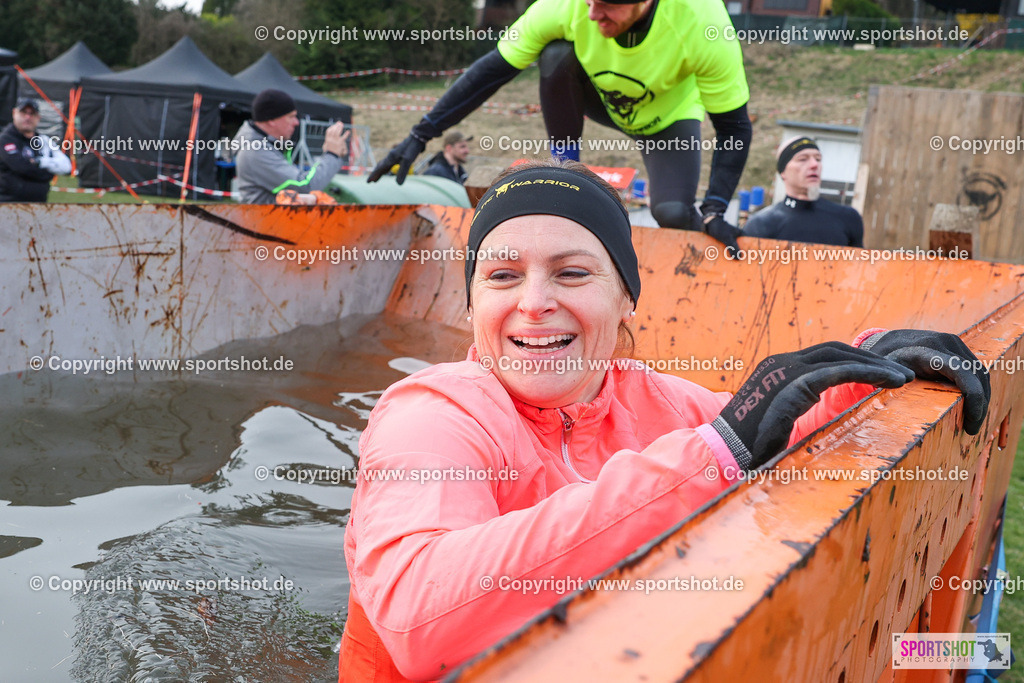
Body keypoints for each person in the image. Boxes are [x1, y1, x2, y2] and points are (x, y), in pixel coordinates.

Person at [339, 160, 990, 681]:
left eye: (571, 272)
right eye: (503, 274)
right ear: (473, 294)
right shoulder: (429, 414)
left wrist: (869, 367)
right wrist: (708, 457)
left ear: (626, 295)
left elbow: (782, 434)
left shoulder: (662, 402)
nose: (534, 303)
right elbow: (421, 621)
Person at [367, 0, 752, 254]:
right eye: (589, 2)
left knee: (671, 211)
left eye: (607, 6)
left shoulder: (704, 24)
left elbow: (734, 127)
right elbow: (489, 73)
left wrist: (715, 207)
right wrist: (419, 136)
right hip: (599, 99)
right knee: (554, 54)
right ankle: (566, 167)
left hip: (666, 120)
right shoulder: (563, 6)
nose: (592, 15)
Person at [233, 89, 349, 205]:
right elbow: (305, 186)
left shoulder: (264, 145)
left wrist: (331, 155)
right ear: (271, 120)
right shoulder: (255, 151)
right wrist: (332, 155)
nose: (296, 122)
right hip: (261, 221)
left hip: (268, 220)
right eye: (291, 116)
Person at [743, 136, 864, 247]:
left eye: (818, 159)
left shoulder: (848, 217)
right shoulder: (762, 224)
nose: (814, 164)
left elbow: (860, 267)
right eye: (802, 159)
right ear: (783, 172)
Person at [0, 98, 71, 203]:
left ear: (38, 118)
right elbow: (21, 167)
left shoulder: (43, 141)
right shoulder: (6, 139)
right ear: (14, 113)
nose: (28, 117)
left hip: (39, 206)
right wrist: (47, 174)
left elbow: (66, 167)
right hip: (8, 205)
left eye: (32, 114)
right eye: (24, 112)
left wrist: (40, 162)